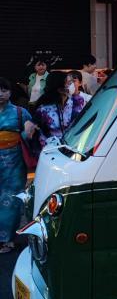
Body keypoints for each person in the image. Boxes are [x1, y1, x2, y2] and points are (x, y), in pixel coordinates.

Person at [0, 77, 36, 253]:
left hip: (14, 161)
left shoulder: (20, 112)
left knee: (11, 199)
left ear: (10, 92)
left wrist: (27, 132)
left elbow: (30, 132)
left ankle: (7, 239)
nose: (0, 94)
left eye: (4, 90)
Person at [34, 71, 85, 148]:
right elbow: (38, 132)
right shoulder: (44, 109)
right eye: (69, 83)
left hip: (75, 148)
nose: (72, 85)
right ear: (59, 88)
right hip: (52, 150)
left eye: (72, 82)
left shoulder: (78, 101)